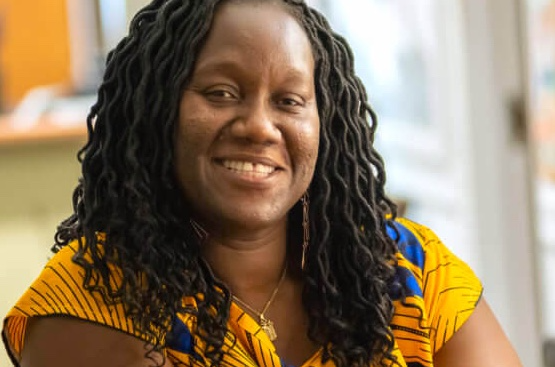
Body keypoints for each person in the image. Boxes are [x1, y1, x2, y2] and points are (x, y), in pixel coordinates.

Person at [2, 0, 523, 366]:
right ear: (155, 112)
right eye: (221, 92)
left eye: (290, 101)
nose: (258, 125)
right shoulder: (94, 296)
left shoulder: (407, 268)